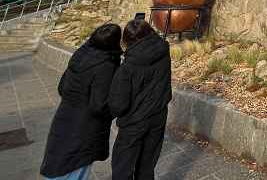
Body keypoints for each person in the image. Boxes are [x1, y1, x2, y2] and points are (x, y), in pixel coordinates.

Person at [41, 23, 122, 180]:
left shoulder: (79, 55)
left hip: (64, 118)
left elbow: (62, 87)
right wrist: (117, 108)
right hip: (85, 128)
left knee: (59, 163)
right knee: (76, 167)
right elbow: (99, 105)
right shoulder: (106, 65)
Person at [109, 19, 172, 180]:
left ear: (128, 40)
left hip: (134, 121)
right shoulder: (163, 50)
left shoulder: (127, 68)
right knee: (147, 164)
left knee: (122, 167)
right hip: (158, 115)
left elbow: (118, 106)